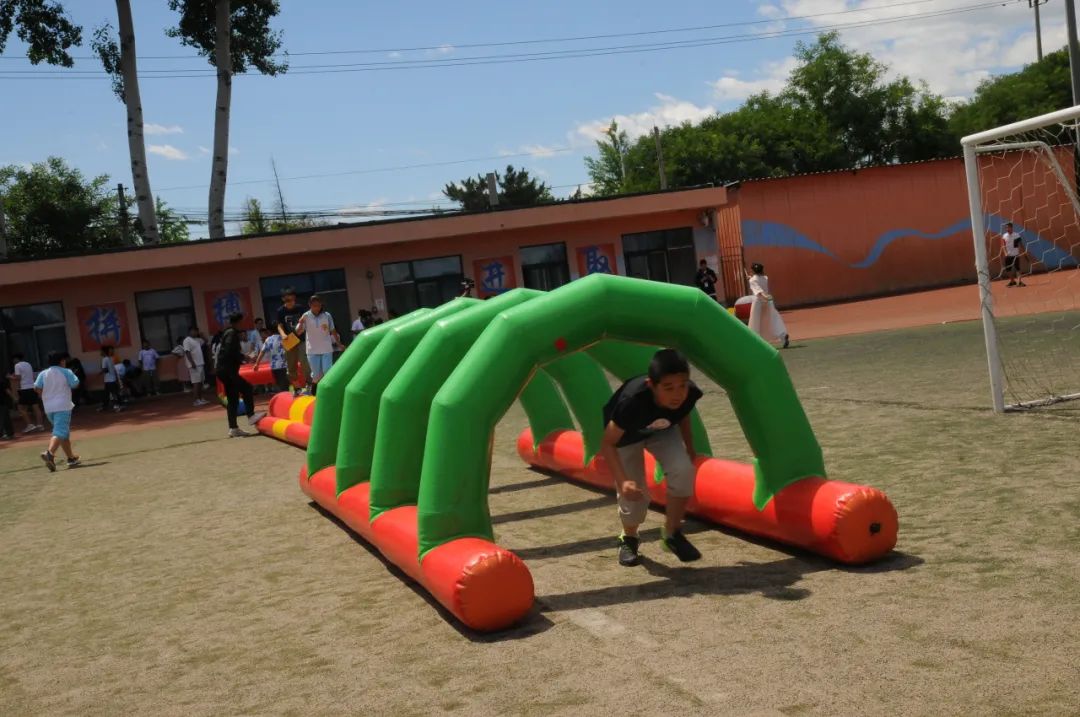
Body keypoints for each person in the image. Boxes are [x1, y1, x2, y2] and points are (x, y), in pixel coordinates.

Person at [600, 348, 704, 567]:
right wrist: (622, 481)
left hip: (662, 429)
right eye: (668, 388)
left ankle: (672, 534)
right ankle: (628, 537)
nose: (677, 394)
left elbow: (683, 415)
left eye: (682, 385)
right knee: (635, 494)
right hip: (626, 436)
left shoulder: (688, 394)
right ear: (651, 385)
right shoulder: (631, 402)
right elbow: (608, 443)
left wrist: (690, 447)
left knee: (683, 469)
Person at [216, 312, 267, 438]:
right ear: (239, 322)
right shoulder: (232, 333)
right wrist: (244, 357)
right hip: (228, 371)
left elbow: (229, 351)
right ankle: (251, 415)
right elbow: (229, 351)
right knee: (247, 387)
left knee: (233, 399)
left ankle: (233, 428)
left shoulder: (229, 332)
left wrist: (242, 358)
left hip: (224, 370)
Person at [34, 351, 81, 471]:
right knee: (60, 431)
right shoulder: (66, 371)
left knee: (62, 432)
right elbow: (75, 384)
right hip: (63, 406)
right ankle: (50, 453)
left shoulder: (43, 373)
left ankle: (71, 458)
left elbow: (36, 387)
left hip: (49, 407)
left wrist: (45, 395)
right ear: (62, 361)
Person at [295, 294, 341, 396]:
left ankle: (329, 392)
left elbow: (333, 330)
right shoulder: (305, 316)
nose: (317, 308)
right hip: (312, 350)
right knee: (316, 375)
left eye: (319, 305)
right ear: (310, 305)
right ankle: (314, 390)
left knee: (327, 371)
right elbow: (298, 332)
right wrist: (301, 322)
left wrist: (339, 344)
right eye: (315, 305)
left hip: (326, 348)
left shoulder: (327, 315)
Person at [745, 263, 789, 349]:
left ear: (753, 271)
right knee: (773, 319)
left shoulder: (752, 280)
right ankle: (783, 335)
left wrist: (751, 279)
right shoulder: (765, 278)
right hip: (768, 301)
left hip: (758, 302)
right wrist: (751, 279)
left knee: (755, 322)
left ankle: (755, 341)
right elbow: (758, 281)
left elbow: (759, 291)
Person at [276, 287, 310, 394]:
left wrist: (302, 329)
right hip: (289, 340)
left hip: (301, 339)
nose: (289, 302)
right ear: (283, 300)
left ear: (294, 298)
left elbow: (306, 322)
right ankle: (297, 388)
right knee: (291, 365)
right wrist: (283, 335)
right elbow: (279, 325)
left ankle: (309, 384)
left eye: (291, 299)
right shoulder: (281, 311)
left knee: (305, 362)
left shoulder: (300, 309)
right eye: (286, 300)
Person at [11, 353, 44, 432]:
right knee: (35, 407)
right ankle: (40, 425)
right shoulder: (28, 364)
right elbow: (31, 375)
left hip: (24, 389)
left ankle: (30, 425)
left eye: (13, 359)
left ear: (16, 359)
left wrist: (11, 377)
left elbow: (18, 377)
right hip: (32, 387)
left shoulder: (17, 365)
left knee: (21, 408)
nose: (13, 361)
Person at [253, 328, 290, 392]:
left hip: (274, 365)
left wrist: (256, 363)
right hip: (283, 365)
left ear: (269, 331)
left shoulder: (268, 339)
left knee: (278, 383)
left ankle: (282, 396)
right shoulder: (283, 338)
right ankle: (287, 397)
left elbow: (262, 352)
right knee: (285, 384)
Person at [182, 326, 209, 406]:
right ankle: (196, 400)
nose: (195, 333)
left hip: (200, 363)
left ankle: (200, 398)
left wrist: (202, 335)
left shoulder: (198, 340)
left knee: (200, 382)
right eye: (194, 331)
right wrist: (192, 362)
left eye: (196, 331)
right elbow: (187, 352)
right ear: (190, 331)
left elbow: (206, 341)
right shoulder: (187, 340)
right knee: (196, 383)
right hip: (194, 364)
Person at [999, 221, 1026, 287]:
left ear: (1011, 228)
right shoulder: (1004, 236)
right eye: (1006, 228)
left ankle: (1019, 282)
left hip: (1015, 254)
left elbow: (1020, 244)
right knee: (1008, 269)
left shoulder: (1016, 235)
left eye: (1008, 227)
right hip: (1008, 255)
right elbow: (1003, 245)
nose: (1007, 229)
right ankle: (1012, 281)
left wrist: (1019, 252)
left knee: (1017, 268)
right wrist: (1005, 253)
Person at [99, 346, 123, 412]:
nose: (100, 352)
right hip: (110, 379)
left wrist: (100, 372)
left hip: (109, 379)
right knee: (107, 393)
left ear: (104, 352)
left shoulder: (104, 359)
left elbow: (105, 369)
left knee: (113, 393)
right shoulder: (109, 358)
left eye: (101, 351)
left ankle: (117, 405)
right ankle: (105, 406)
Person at [0, 373, 16, 439]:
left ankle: (8, 433)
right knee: (5, 418)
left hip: (2, 401)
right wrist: (14, 398)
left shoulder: (2, 381)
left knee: (4, 418)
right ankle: (9, 433)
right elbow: (7, 391)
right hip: (3, 401)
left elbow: (7, 390)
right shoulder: (2, 381)